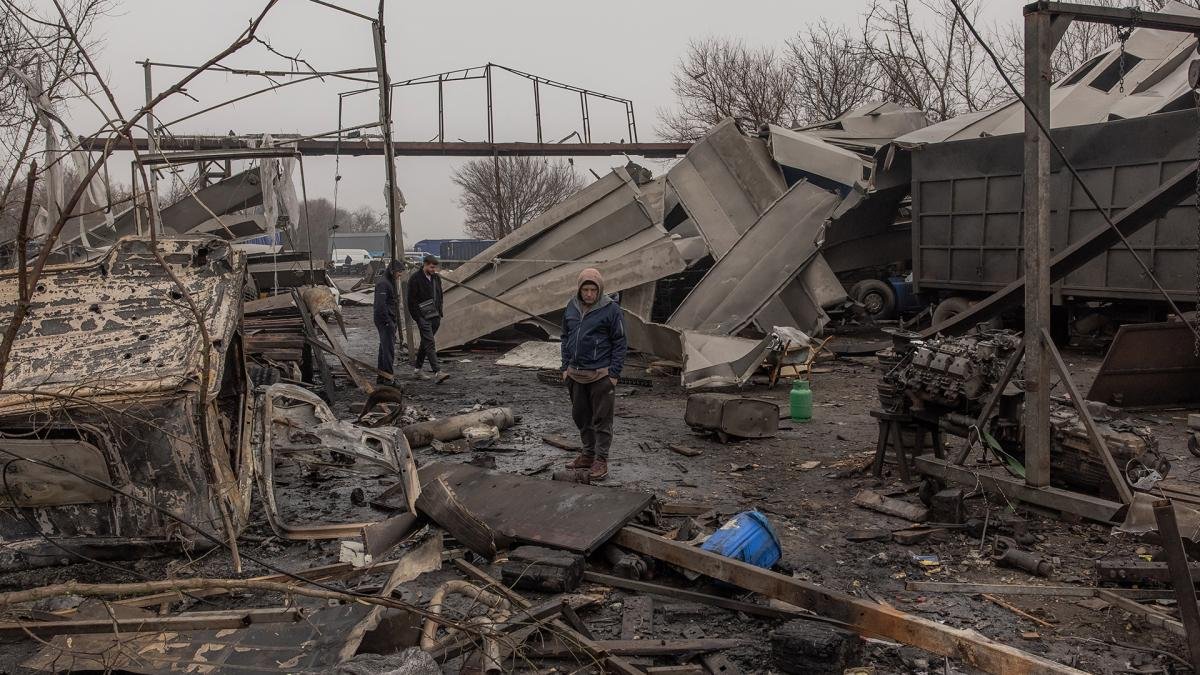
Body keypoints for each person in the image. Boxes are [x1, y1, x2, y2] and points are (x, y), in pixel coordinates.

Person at [560, 268, 627, 480]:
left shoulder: (610, 310)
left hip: (600, 375)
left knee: (602, 420)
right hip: (575, 374)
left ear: (599, 290)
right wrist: (564, 367)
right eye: (585, 289)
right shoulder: (571, 307)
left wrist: (614, 373)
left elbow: (620, 342)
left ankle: (601, 461)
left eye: (593, 289)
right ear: (579, 290)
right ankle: (587, 454)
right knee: (581, 416)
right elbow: (564, 336)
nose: (589, 294)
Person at [407, 254, 447, 382]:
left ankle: (417, 370)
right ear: (424, 264)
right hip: (423, 316)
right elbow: (411, 301)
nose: (433, 269)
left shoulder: (436, 278)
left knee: (425, 342)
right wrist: (418, 317)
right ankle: (438, 371)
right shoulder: (415, 279)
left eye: (434, 267)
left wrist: (440, 312)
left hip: (435, 316)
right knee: (430, 342)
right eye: (431, 267)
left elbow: (439, 295)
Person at [373, 259, 403, 384]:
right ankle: (388, 377)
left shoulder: (389, 282)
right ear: (392, 271)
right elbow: (380, 306)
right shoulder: (384, 284)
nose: (400, 274)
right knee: (388, 350)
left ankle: (381, 376)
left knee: (384, 348)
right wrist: (388, 321)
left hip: (388, 319)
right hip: (385, 320)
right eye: (399, 272)